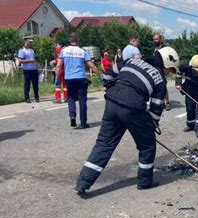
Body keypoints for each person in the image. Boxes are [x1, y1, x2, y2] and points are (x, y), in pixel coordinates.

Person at [75, 46, 180, 195]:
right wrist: (152, 124)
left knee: (104, 143)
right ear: (166, 64)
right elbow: (157, 107)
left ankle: (84, 181)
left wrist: (112, 90)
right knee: (147, 145)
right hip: (133, 107)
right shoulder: (160, 79)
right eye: (170, 70)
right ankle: (145, 181)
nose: (169, 73)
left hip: (112, 102)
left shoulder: (131, 61)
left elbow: (109, 74)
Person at [56, 33, 101, 129]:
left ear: (69, 41)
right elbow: (91, 65)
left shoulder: (64, 51)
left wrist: (57, 79)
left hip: (69, 78)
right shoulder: (82, 51)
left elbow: (59, 66)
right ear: (78, 41)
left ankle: (72, 116)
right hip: (81, 78)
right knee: (82, 100)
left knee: (71, 98)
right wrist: (100, 76)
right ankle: (83, 123)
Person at [176, 54, 198, 138]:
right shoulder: (184, 67)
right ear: (191, 66)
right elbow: (178, 73)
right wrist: (178, 83)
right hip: (189, 90)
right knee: (190, 108)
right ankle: (190, 125)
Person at [152, 33, 171, 111]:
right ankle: (161, 102)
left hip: (163, 69)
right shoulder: (154, 47)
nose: (155, 41)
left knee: (164, 86)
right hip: (156, 69)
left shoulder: (164, 47)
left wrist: (167, 70)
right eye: (154, 39)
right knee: (158, 86)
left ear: (160, 39)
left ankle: (168, 102)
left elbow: (168, 58)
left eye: (156, 39)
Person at [18, 38, 39, 103]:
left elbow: (34, 59)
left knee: (35, 84)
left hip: (34, 69)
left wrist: (38, 66)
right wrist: (30, 60)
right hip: (27, 69)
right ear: (25, 42)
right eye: (29, 42)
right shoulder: (22, 50)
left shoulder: (32, 50)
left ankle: (36, 97)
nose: (30, 43)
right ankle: (27, 98)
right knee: (27, 84)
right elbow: (20, 60)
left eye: (31, 42)